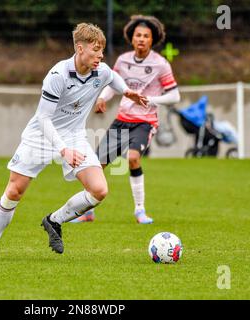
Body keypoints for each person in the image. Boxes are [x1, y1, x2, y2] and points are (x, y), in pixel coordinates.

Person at [0, 23, 148, 260]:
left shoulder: (101, 71)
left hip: (74, 136)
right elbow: (43, 118)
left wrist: (127, 92)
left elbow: (113, 77)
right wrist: (63, 150)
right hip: (41, 135)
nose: (100, 56)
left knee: (99, 190)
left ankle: (54, 220)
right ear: (80, 48)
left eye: (102, 51)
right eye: (95, 51)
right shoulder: (58, 75)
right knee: (15, 190)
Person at [71, 15, 181, 224]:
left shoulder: (160, 64)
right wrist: (102, 98)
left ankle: (140, 210)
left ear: (153, 39)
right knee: (97, 164)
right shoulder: (123, 60)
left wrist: (151, 100)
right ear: (132, 38)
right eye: (138, 35)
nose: (141, 39)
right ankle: (87, 211)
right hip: (122, 120)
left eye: (146, 36)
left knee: (132, 158)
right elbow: (114, 84)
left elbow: (175, 95)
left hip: (145, 122)